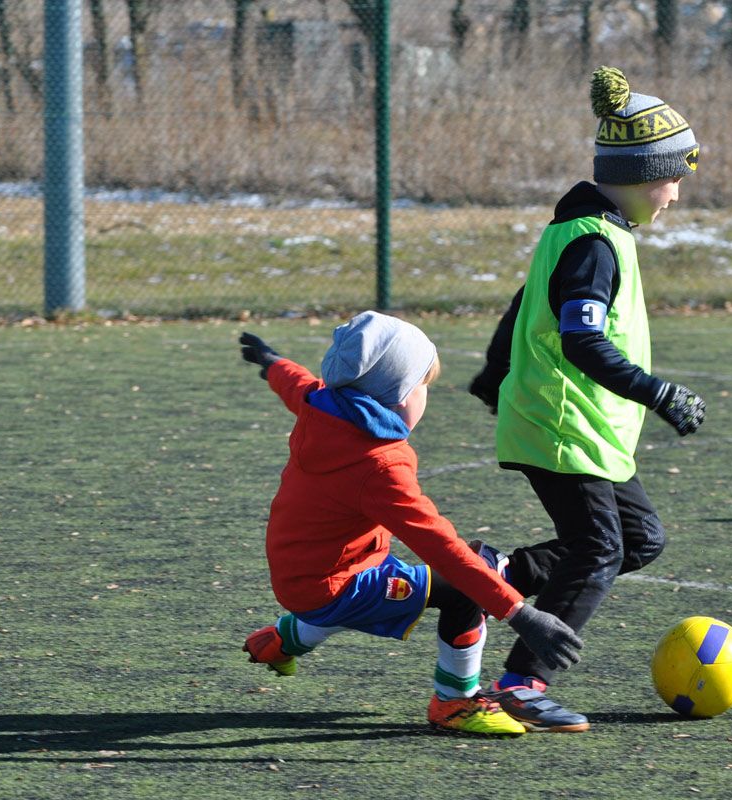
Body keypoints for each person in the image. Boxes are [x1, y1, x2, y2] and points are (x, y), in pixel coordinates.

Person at [466, 66, 708, 732]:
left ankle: (497, 572)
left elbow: (522, 306)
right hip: (563, 425)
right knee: (598, 549)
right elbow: (581, 343)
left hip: (585, 431)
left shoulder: (584, 231)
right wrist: (658, 393)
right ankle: (521, 682)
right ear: (640, 174)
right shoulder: (593, 243)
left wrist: (494, 371)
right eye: (673, 177)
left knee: (639, 540)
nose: (676, 194)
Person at [237, 311, 583, 737]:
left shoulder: (323, 406)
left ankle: (279, 642)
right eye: (424, 385)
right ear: (399, 393)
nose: (426, 396)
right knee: (465, 585)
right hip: (338, 582)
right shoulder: (380, 466)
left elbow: (298, 385)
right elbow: (441, 547)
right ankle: (455, 703)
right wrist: (519, 613)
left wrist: (272, 362)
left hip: (312, 569)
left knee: (364, 592)